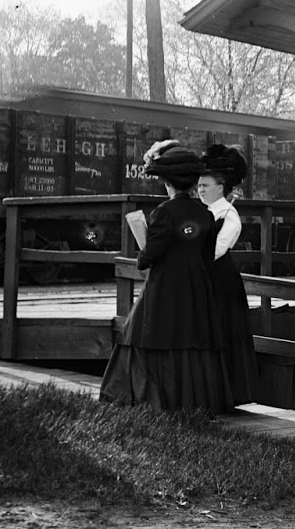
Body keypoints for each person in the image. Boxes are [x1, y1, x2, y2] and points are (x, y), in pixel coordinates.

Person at [100, 141, 233, 413]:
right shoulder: (206, 214)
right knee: (191, 339)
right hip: (196, 289)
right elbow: (207, 257)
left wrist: (142, 249)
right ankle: (193, 402)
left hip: (165, 287)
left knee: (144, 334)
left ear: (168, 184)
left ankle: (149, 399)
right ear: (193, 183)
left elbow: (149, 256)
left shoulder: (163, 212)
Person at [197, 144, 258, 407]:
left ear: (221, 187)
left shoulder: (229, 216)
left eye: (205, 186)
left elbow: (216, 250)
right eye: (198, 186)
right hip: (202, 278)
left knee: (222, 333)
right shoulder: (200, 212)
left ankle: (224, 395)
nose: (200, 190)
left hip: (221, 283)